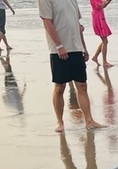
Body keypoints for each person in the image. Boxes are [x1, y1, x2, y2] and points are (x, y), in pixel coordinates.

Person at [40, 0, 103, 132]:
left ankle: (89, 120)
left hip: (76, 47)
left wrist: (84, 48)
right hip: (58, 49)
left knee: (82, 85)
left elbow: (77, 26)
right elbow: (47, 22)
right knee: (60, 87)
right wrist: (59, 46)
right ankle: (59, 122)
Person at [90, 0, 112, 66]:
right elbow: (99, 6)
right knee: (105, 40)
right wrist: (106, 2)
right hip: (98, 18)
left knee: (104, 40)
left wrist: (108, 1)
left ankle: (95, 57)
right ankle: (104, 61)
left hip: (100, 17)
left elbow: (103, 6)